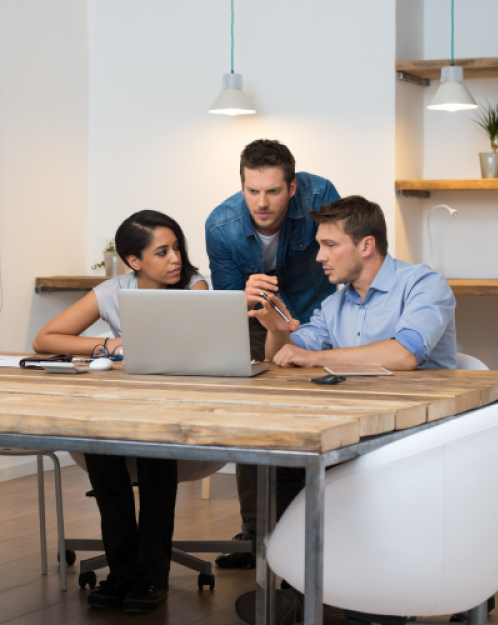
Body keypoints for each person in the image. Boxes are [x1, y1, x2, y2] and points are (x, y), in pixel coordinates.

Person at [234, 195, 457, 625]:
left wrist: (315, 358)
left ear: (366, 246)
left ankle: (371, 598)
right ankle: (304, 588)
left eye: (330, 245)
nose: (320, 256)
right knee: (281, 464)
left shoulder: (423, 284)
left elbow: (406, 353)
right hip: (358, 430)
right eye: (320, 245)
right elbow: (287, 359)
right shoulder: (336, 303)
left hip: (421, 435)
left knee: (356, 474)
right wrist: (278, 333)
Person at [33, 210, 207, 614]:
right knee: (97, 444)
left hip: (175, 416)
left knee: (154, 454)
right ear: (134, 261)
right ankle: (122, 570)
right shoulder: (113, 290)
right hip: (122, 410)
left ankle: (150, 575)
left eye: (176, 247)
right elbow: (46, 339)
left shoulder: (195, 288)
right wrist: (108, 347)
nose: (175, 258)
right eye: (162, 252)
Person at [205, 139, 341, 568]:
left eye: (273, 192)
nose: (262, 204)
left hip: (318, 316)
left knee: (324, 416)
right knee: (253, 418)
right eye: (252, 191)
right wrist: (241, 296)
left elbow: (342, 256)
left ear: (294, 187)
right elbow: (228, 302)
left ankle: (324, 531)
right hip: (256, 320)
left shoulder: (322, 197)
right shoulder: (221, 226)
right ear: (241, 185)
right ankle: (256, 535)